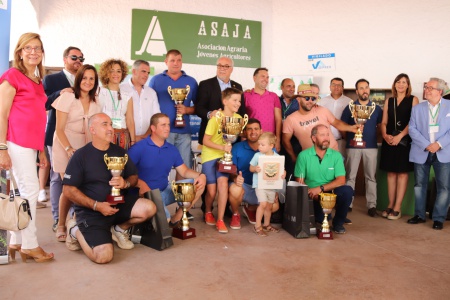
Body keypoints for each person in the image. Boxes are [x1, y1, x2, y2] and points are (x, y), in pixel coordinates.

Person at [62, 113, 156, 264]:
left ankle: (119, 229)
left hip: (118, 206)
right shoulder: (80, 156)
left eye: (111, 124)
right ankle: (75, 231)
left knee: (149, 208)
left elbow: (134, 176)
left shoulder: (120, 152)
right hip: (92, 212)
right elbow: (68, 190)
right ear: (92, 130)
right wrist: (96, 205)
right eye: (104, 124)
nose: (110, 129)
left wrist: (125, 183)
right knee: (103, 256)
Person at [0, 32, 54, 262]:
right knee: (30, 191)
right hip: (14, 141)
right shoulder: (12, 76)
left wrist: (41, 148)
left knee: (21, 193)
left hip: (30, 144)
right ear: (20, 52)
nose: (33, 52)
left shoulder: (37, 79)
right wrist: (1, 148)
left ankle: (15, 241)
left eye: (37, 48)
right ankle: (30, 245)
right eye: (28, 48)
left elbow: (37, 117)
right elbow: (1, 113)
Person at [52, 65, 102, 242]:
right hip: (65, 144)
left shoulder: (96, 101)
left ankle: (76, 222)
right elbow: (58, 129)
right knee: (69, 188)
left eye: (91, 79)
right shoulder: (67, 97)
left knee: (83, 187)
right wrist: (68, 149)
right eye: (85, 78)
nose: (87, 82)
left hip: (86, 146)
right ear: (78, 78)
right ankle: (60, 224)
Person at [128, 113, 206, 226]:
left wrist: (200, 175)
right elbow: (126, 173)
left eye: (168, 125)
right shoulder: (138, 148)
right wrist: (141, 185)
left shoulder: (172, 149)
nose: (167, 128)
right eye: (163, 125)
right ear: (153, 128)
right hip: (146, 195)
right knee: (165, 221)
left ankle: (177, 218)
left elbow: (184, 171)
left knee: (198, 185)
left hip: (165, 192)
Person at [43, 46, 85, 224]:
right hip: (57, 134)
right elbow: (43, 103)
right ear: (64, 59)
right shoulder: (51, 79)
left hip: (79, 136)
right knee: (57, 176)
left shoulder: (85, 80)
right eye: (74, 57)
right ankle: (56, 218)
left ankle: (76, 217)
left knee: (78, 177)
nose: (78, 61)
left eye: (81, 59)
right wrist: (59, 93)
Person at [407, 77, 450, 230]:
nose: (426, 90)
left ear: (440, 91)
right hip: (421, 151)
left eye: (430, 88)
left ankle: (438, 218)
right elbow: (412, 129)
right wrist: (427, 145)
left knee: (444, 187)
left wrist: (438, 144)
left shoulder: (449, 107)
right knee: (419, 185)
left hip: (443, 152)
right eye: (426, 87)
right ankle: (419, 215)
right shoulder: (417, 108)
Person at [294, 124, 353, 234]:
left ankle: (338, 223)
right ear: (314, 138)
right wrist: (313, 192)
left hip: (330, 193)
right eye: (322, 135)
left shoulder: (336, 156)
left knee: (347, 191)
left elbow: (341, 180)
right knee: (321, 219)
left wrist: (320, 188)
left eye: (327, 135)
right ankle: (325, 215)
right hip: (312, 195)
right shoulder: (303, 156)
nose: (326, 138)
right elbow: (300, 182)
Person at [201, 87, 243, 233]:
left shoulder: (238, 119)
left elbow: (235, 139)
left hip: (225, 157)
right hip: (210, 155)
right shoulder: (216, 118)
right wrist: (221, 147)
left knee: (223, 184)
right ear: (225, 101)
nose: (238, 103)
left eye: (239, 101)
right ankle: (207, 211)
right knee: (211, 191)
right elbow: (205, 140)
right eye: (235, 100)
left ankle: (220, 220)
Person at [282, 84, 358, 163]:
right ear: (298, 99)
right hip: (311, 160)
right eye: (307, 98)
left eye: (313, 98)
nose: (310, 101)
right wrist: (294, 157)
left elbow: (336, 122)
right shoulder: (290, 119)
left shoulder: (322, 110)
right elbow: (285, 140)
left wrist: (351, 128)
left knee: (340, 175)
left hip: (333, 156)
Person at [149, 49, 198, 170]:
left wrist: (186, 110)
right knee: (160, 166)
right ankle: (160, 190)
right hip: (162, 131)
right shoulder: (156, 80)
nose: (176, 63)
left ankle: (181, 189)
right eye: (172, 60)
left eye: (178, 60)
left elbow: (199, 108)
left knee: (184, 167)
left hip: (184, 132)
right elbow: (148, 105)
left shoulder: (191, 81)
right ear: (166, 62)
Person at [341, 79, 383, 217]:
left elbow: (380, 127)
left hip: (370, 146)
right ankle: (348, 203)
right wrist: (349, 139)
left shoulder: (376, 108)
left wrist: (371, 138)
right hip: (352, 146)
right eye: (361, 88)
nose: (364, 90)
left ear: (369, 89)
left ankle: (372, 205)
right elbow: (342, 127)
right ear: (356, 91)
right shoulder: (350, 107)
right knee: (350, 176)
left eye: (366, 87)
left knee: (371, 177)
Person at [379, 74, 419, 220]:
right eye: (398, 82)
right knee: (391, 173)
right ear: (394, 84)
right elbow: (384, 122)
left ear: (408, 85)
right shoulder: (389, 100)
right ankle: (390, 204)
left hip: (405, 141)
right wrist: (385, 135)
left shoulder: (413, 99)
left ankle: (398, 207)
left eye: (404, 82)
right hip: (389, 140)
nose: (401, 84)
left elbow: (413, 122)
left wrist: (399, 136)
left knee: (402, 173)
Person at [228, 119, 280, 226]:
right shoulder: (237, 147)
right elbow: (230, 169)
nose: (253, 132)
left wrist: (274, 188)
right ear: (245, 132)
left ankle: (251, 209)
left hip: (262, 187)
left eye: (256, 129)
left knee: (274, 206)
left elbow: (277, 172)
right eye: (249, 129)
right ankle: (235, 214)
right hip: (244, 186)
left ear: (261, 131)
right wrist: (235, 178)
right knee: (235, 189)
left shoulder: (271, 151)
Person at [196, 56, 245, 146]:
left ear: (231, 69)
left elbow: (241, 110)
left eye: (226, 66)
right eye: (219, 66)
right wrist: (210, 114)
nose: (222, 69)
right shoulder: (205, 84)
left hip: (232, 136)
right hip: (211, 137)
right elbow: (199, 108)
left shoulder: (238, 86)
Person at [249, 132, 285, 236]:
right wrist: (255, 168)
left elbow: (281, 170)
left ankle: (266, 224)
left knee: (269, 206)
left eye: (262, 145)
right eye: (259, 144)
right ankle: (258, 226)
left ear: (271, 146)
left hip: (272, 186)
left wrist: (283, 173)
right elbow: (250, 168)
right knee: (263, 204)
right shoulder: (257, 156)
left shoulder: (277, 157)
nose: (259, 146)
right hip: (260, 185)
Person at [98, 58, 136, 149]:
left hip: (122, 136)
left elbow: (130, 120)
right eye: (112, 71)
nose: (116, 74)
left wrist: (133, 140)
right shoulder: (99, 91)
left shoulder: (128, 95)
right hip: (104, 135)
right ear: (106, 74)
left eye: (118, 71)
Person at [120, 60, 160, 142]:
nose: (146, 75)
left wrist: (145, 136)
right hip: (125, 140)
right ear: (134, 71)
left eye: (148, 73)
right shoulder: (121, 89)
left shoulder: (152, 93)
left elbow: (156, 118)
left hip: (146, 140)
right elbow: (118, 116)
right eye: (143, 71)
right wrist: (132, 137)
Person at [244, 68, 282, 152]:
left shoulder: (274, 96)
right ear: (254, 78)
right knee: (251, 164)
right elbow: (242, 118)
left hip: (270, 141)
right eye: (262, 76)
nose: (265, 79)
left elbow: (278, 119)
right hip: (252, 140)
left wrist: (278, 140)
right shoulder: (246, 95)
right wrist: (243, 137)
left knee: (269, 165)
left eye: (267, 77)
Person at [318, 77, 352, 156]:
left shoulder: (349, 102)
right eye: (334, 85)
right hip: (325, 140)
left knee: (340, 164)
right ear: (330, 87)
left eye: (339, 85)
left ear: (343, 88)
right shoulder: (321, 102)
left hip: (342, 140)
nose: (336, 87)